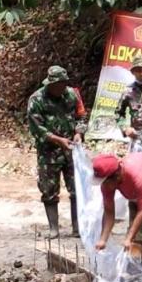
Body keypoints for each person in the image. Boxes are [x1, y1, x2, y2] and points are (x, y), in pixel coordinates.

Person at [26, 65, 86, 239]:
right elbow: (37, 128)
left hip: (72, 150)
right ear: (50, 84)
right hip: (49, 151)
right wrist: (58, 140)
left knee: (76, 188)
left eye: (62, 85)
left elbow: (81, 116)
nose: (60, 89)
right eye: (56, 86)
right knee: (49, 189)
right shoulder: (37, 99)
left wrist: (78, 133)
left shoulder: (72, 94)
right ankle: (54, 228)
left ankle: (77, 227)